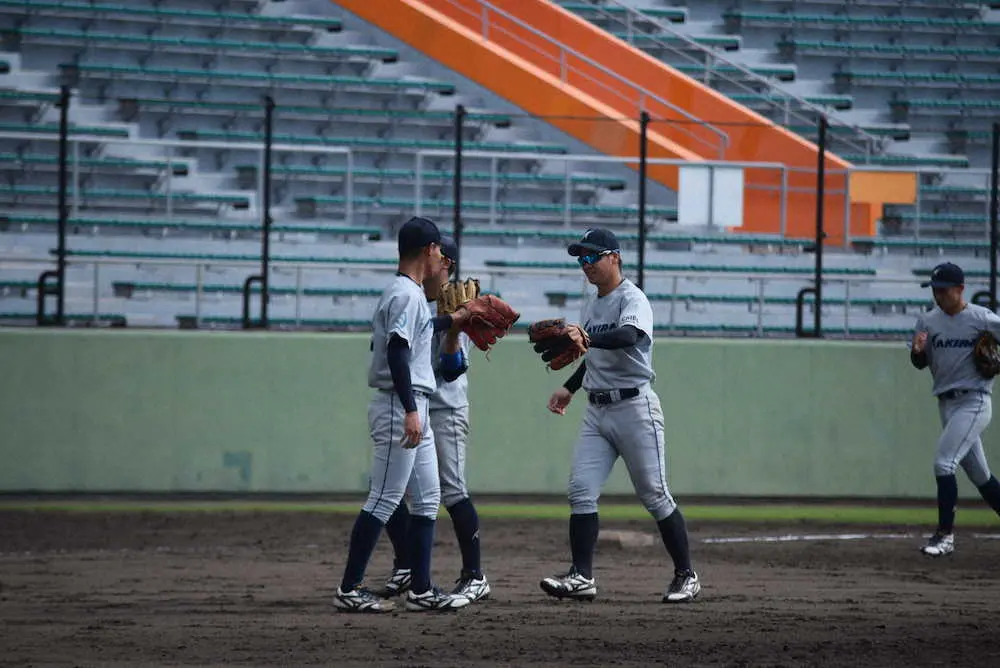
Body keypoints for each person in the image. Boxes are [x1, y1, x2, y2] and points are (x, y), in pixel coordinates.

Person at [540, 227, 700, 603]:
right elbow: (594, 354)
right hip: (596, 410)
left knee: (655, 494)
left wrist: (588, 338)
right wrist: (570, 386)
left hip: (634, 407)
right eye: (581, 258)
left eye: (592, 256)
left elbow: (629, 337)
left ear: (614, 257)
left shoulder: (634, 299)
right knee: (581, 491)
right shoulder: (592, 302)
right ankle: (581, 577)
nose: (586, 264)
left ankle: (686, 575)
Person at [333, 217, 473, 613]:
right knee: (384, 497)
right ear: (429, 250)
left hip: (415, 405)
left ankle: (422, 590)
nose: (441, 258)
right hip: (402, 404)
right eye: (438, 251)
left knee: (428, 499)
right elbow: (397, 350)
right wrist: (411, 410)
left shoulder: (407, 293)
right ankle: (348, 588)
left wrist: (453, 321)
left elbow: (422, 327)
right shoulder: (406, 294)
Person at [378, 237, 491, 603]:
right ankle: (406, 566)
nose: (434, 261)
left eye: (441, 258)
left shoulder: (463, 307)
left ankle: (475, 576)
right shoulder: (410, 298)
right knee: (388, 489)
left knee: (452, 489)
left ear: (448, 266)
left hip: (445, 407)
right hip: (411, 406)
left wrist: (456, 328)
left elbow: (453, 369)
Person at [909, 261, 1000, 556]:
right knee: (981, 477)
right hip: (947, 404)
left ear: (960, 289)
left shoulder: (981, 318)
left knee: (944, 463)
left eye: (943, 290)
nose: (938, 295)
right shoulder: (928, 322)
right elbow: (920, 363)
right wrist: (917, 352)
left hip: (974, 400)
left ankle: (944, 537)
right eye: (934, 290)